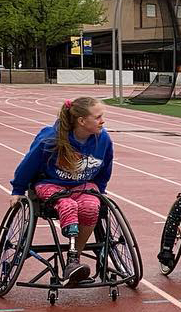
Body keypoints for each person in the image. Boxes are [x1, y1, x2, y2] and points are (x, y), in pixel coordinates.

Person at [9, 97, 113, 286]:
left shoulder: (103, 139)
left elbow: (105, 167)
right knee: (68, 205)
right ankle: (72, 260)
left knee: (91, 207)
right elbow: (28, 165)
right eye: (98, 117)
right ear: (82, 121)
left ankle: (74, 259)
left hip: (82, 184)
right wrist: (18, 189)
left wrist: (101, 191)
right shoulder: (50, 138)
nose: (102, 121)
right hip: (50, 184)